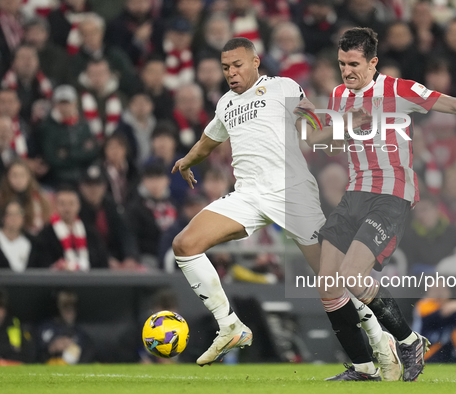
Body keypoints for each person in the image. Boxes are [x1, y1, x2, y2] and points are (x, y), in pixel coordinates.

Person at [297, 27, 456, 381]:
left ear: (373, 62)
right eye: (341, 64)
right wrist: (341, 125)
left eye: (353, 64)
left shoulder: (398, 89)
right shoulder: (338, 95)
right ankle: (365, 368)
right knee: (328, 284)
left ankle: (409, 342)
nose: (346, 71)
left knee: (351, 276)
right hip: (354, 193)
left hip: (391, 195)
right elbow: (321, 141)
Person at [171, 37, 399, 381]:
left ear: (255, 62)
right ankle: (230, 325)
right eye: (225, 68)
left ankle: (382, 343)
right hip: (248, 195)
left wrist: (344, 125)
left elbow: (314, 122)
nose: (231, 73)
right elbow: (209, 139)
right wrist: (188, 159)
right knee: (184, 245)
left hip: (293, 195)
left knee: (335, 281)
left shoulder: (282, 87)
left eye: (237, 65)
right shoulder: (225, 104)